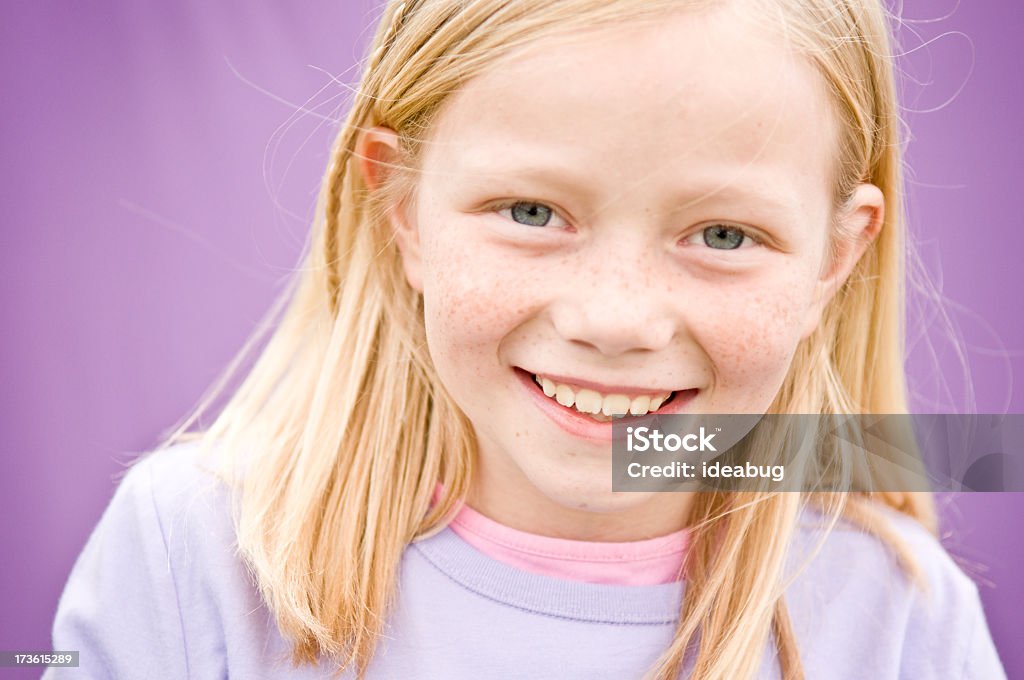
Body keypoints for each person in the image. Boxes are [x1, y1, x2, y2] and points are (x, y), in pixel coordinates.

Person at [47, 0, 1007, 678]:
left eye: (722, 236)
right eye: (531, 211)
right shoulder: (193, 554)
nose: (614, 319)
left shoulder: (901, 616)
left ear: (835, 261)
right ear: (401, 208)